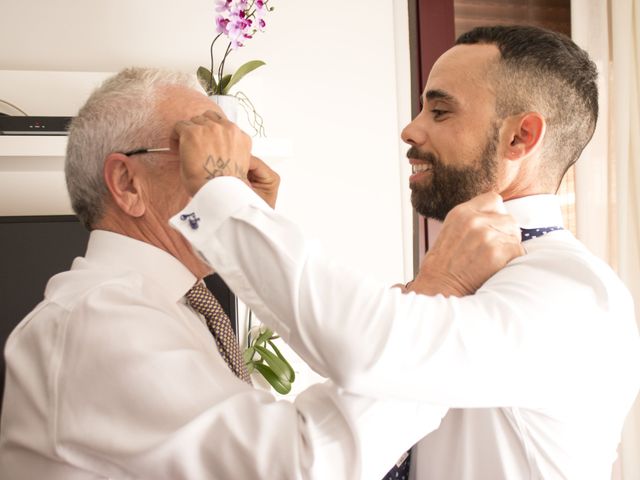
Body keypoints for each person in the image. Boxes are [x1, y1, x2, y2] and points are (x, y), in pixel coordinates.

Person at [0, 68, 522, 479]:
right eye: (208, 156)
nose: (237, 181)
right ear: (127, 183)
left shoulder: (171, 310)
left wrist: (243, 233)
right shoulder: (100, 319)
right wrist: (437, 300)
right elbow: (298, 465)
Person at [167, 25, 640, 479]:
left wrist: (222, 194)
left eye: (440, 112)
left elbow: (365, 348)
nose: (410, 130)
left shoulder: (571, 294)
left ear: (520, 137)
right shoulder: (477, 266)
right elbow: (359, 364)